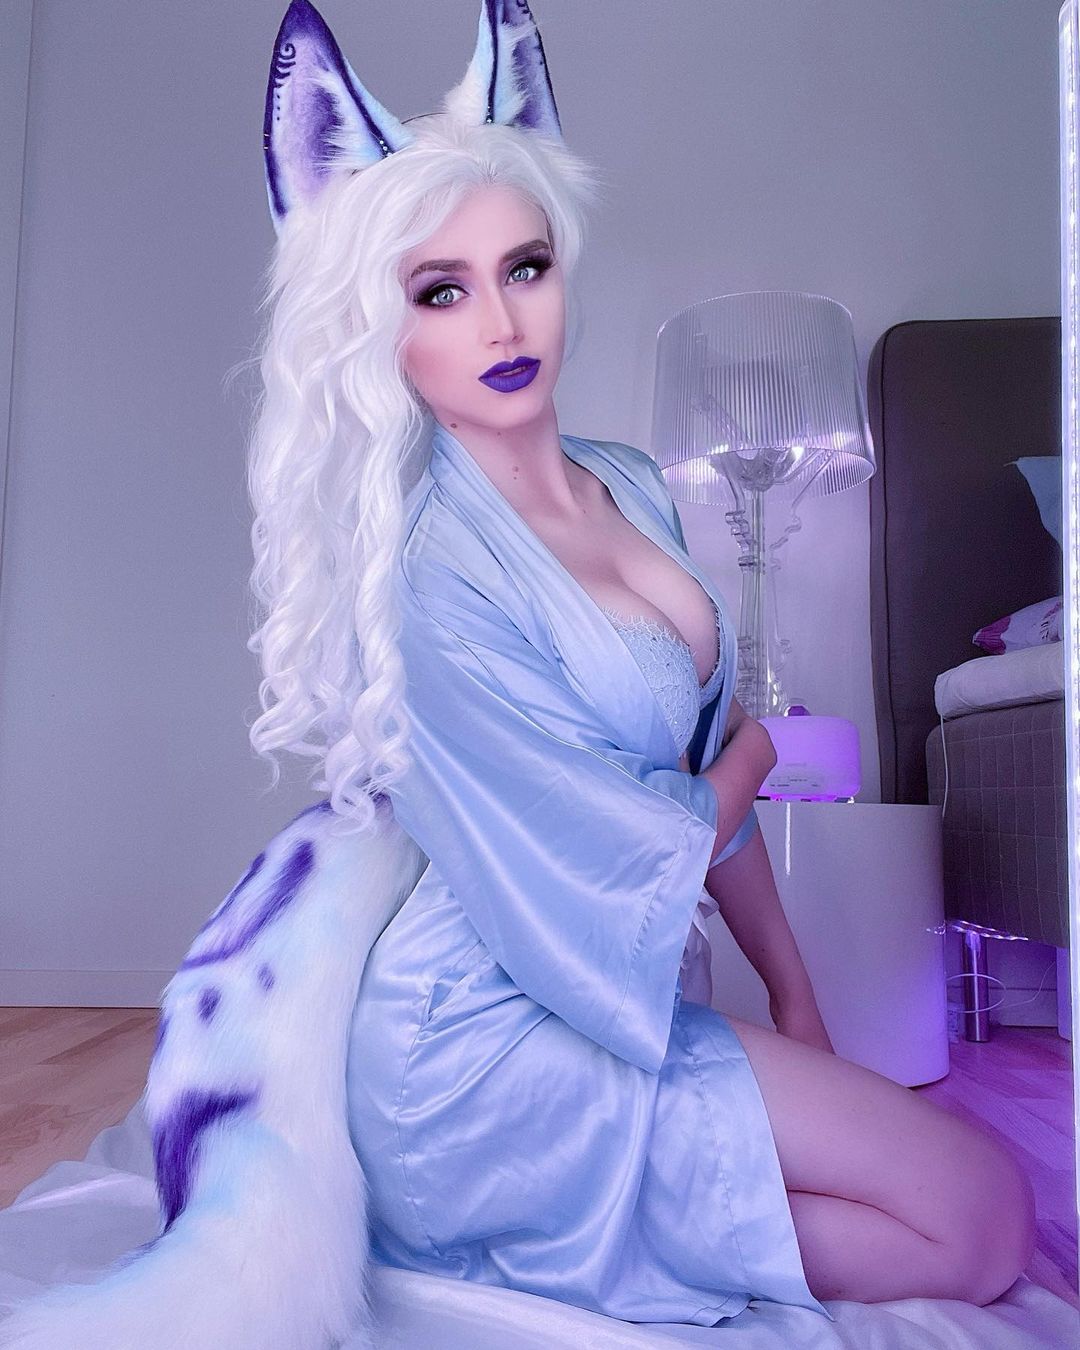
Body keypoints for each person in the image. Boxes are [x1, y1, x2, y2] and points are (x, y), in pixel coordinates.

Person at [0, 2, 1036, 1347]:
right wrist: (752, 756)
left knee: (973, 1211)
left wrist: (793, 988)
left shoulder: (630, 483)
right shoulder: (421, 567)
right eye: (440, 289)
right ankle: (497, 1221)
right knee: (976, 1219)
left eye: (525, 266)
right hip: (472, 1039)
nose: (500, 319)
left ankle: (584, 1233)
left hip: (602, 1000)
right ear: (380, 323)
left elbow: (699, 768)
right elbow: (624, 832)